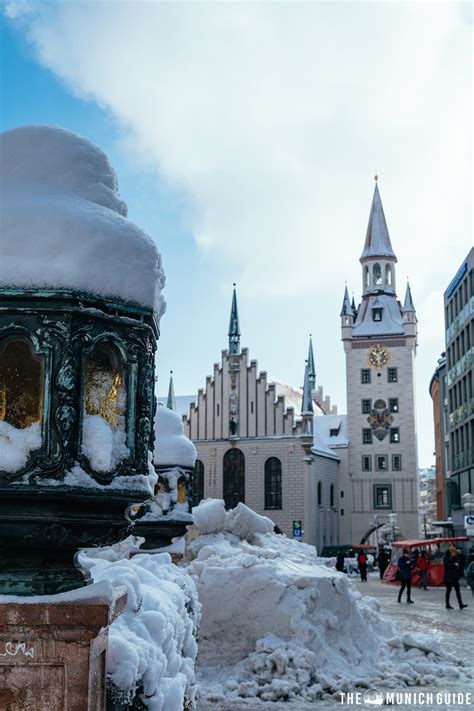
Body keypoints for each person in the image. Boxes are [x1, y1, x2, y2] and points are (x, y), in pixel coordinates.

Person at [444, 546, 468, 610]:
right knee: (448, 591)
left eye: (455, 552)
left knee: (458, 591)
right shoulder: (446, 557)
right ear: (451, 552)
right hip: (448, 577)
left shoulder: (454, 557)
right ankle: (447, 604)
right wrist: (454, 564)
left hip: (455, 577)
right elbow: (446, 566)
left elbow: (457, 564)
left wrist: (457, 565)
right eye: (453, 552)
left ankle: (460, 604)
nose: (454, 553)